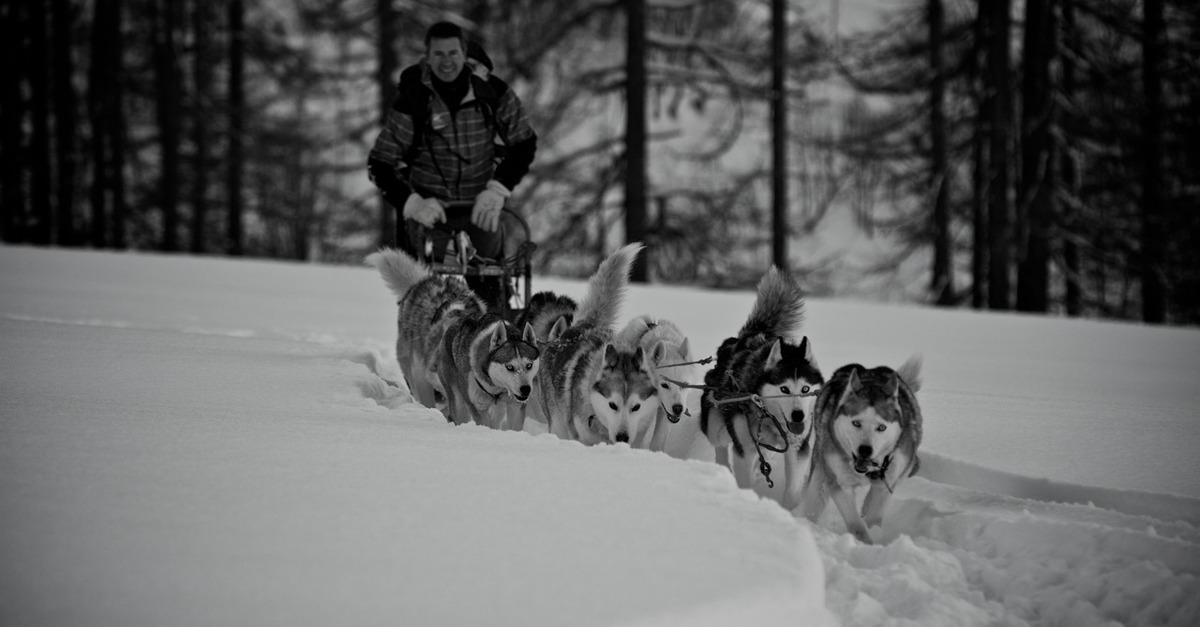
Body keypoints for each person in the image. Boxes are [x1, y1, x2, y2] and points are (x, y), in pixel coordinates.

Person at [367, 21, 537, 310]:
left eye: (453, 53)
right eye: (439, 54)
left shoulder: (492, 93)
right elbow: (380, 163)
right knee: (430, 290)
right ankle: (428, 337)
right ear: (428, 56)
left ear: (463, 53)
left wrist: (498, 188)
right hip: (430, 209)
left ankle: (495, 330)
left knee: (489, 278)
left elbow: (524, 143)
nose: (447, 62)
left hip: (480, 203)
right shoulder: (414, 99)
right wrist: (412, 203)